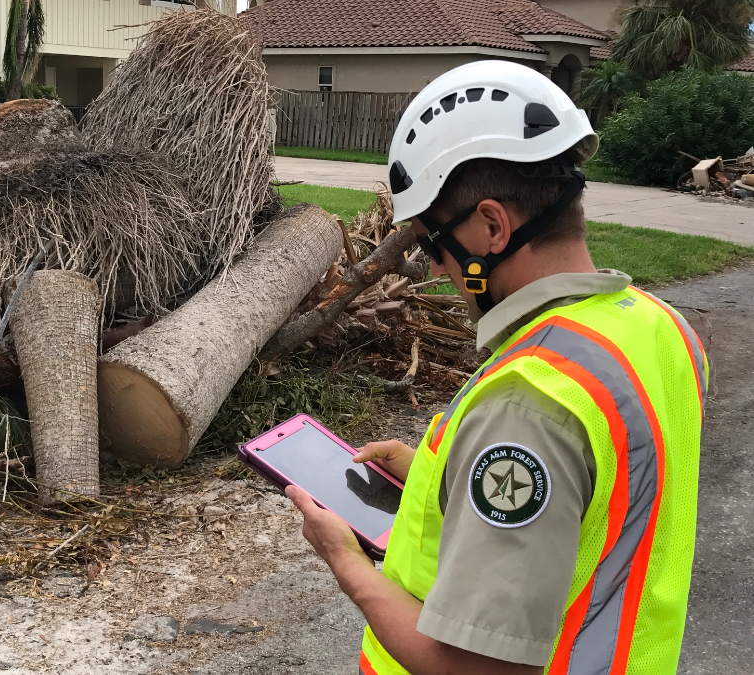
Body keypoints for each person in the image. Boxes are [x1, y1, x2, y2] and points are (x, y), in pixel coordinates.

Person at [285, 60, 706, 675]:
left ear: (491, 226)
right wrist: (441, 476)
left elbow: (476, 668)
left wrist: (348, 565)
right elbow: (603, 498)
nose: (434, 269)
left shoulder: (530, 401)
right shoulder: (657, 325)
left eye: (434, 244)